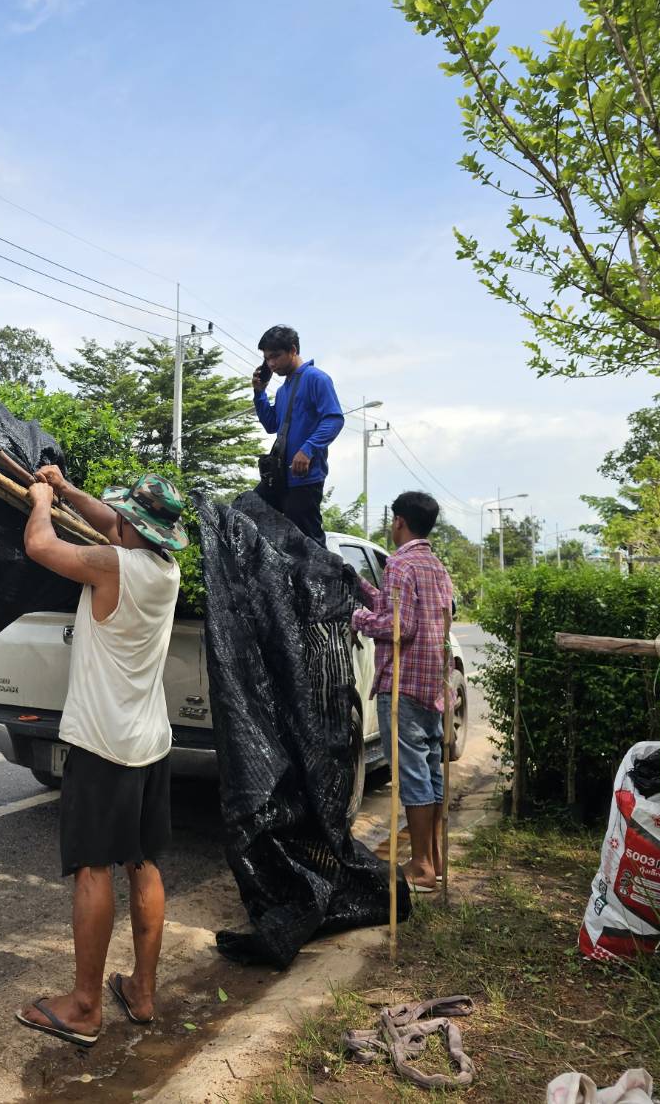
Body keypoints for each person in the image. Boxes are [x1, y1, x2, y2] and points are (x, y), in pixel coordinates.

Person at [13, 467, 187, 1048]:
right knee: (144, 862)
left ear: (134, 527)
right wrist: (67, 490)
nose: (116, 523)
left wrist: (42, 501)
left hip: (102, 744)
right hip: (150, 741)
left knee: (93, 868)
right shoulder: (165, 568)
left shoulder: (113, 565)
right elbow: (112, 522)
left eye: (124, 518)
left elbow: (41, 546)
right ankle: (142, 990)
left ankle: (85, 1007)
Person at [349, 491, 455, 893]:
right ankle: (434, 860)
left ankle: (422, 866)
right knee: (429, 769)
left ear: (399, 521)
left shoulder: (399, 563)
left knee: (412, 774)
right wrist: (360, 586)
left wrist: (356, 617)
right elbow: (401, 609)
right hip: (432, 685)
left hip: (403, 683)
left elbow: (398, 627)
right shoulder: (435, 566)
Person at [252, 325, 344, 542]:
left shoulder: (317, 379)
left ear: (293, 350)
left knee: (306, 542)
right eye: (267, 359)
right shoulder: (283, 390)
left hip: (304, 478)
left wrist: (307, 450)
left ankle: (328, 567)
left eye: (275, 356)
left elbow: (334, 419)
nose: (271, 364)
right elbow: (271, 425)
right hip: (279, 477)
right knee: (248, 508)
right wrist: (259, 393)